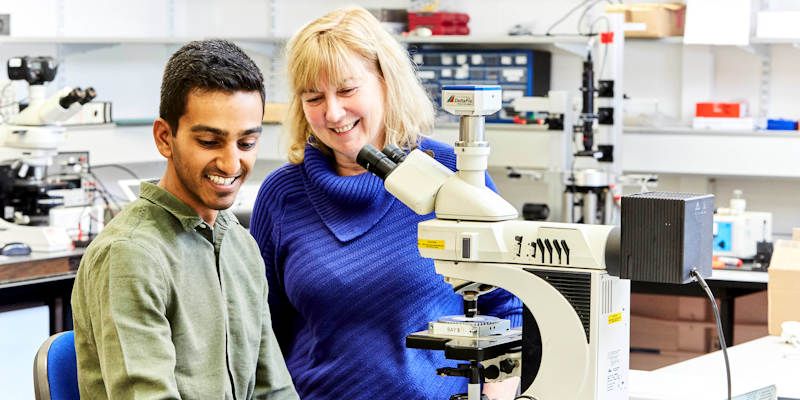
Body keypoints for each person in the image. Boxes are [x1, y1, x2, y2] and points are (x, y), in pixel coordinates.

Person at [250, 7, 522, 400]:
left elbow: (507, 304)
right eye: (314, 97)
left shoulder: (455, 177)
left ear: (385, 80)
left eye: (347, 90)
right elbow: (263, 332)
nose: (333, 112)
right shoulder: (282, 195)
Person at [71, 39, 298, 400]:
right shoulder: (131, 255)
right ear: (165, 137)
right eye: (210, 141)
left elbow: (274, 389)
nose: (230, 163)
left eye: (246, 143)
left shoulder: (240, 245)